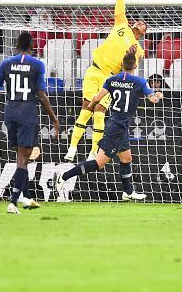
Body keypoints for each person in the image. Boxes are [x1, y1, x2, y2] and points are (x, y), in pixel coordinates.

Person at [64, 0, 146, 162]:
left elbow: (129, 70)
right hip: (94, 70)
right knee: (86, 107)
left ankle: (93, 151)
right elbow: (120, 0)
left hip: (109, 80)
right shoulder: (122, 24)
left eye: (145, 24)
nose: (140, 23)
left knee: (100, 111)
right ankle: (72, 148)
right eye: (139, 20)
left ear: (143, 34)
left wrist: (132, 54)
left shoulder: (139, 50)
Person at [55, 52, 162, 201]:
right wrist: (158, 95)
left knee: (126, 158)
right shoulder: (140, 82)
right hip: (117, 128)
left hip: (116, 124)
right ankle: (64, 176)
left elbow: (97, 98)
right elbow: (153, 100)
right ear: (135, 65)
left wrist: (89, 108)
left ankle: (128, 192)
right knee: (99, 163)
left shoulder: (112, 80)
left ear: (122, 65)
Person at [0, 32, 60, 214]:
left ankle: (27, 198)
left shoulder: (6, 63)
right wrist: (54, 119)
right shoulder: (37, 64)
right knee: (22, 159)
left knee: (21, 156)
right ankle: (13, 201)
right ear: (32, 46)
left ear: (16, 45)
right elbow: (42, 95)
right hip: (27, 112)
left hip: (10, 113)